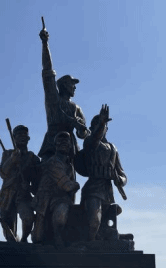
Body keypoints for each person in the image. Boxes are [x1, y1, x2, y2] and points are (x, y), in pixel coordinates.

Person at [37, 26, 88, 162]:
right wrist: (45, 43)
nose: (74, 87)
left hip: (69, 150)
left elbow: (83, 134)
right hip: (51, 147)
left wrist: (80, 129)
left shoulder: (76, 108)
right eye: (72, 84)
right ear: (64, 85)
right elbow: (47, 71)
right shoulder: (53, 99)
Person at [78, 104, 128, 241]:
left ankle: (98, 241)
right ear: (92, 129)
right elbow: (95, 138)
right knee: (94, 221)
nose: (102, 128)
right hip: (93, 189)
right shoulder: (89, 142)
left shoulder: (113, 148)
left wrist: (120, 180)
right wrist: (101, 123)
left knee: (103, 226)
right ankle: (90, 245)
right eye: (97, 126)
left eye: (104, 126)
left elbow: (122, 174)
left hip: (107, 192)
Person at [31, 131, 80, 247]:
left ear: (70, 145)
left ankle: (59, 237)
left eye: (66, 141)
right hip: (45, 198)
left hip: (61, 198)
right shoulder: (53, 162)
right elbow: (67, 185)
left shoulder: (69, 165)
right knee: (38, 237)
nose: (63, 143)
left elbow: (70, 189)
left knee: (61, 213)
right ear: (55, 145)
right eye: (60, 141)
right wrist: (76, 185)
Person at [0, 126, 41, 242]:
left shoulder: (33, 158)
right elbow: (2, 173)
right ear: (14, 138)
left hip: (23, 195)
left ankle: (24, 239)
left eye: (24, 135)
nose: (22, 137)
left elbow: (37, 182)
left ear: (28, 138)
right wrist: (12, 160)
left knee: (28, 218)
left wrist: (30, 188)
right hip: (8, 194)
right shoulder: (8, 154)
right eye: (19, 135)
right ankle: (12, 242)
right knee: (6, 222)